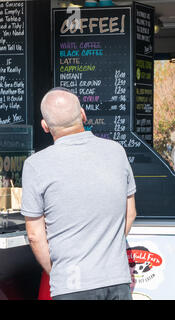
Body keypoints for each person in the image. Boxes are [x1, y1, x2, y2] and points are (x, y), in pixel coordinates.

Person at [21, 87, 137, 300]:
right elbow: (130, 213)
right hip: (116, 279)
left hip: (71, 285)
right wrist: (105, 251)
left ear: (45, 126)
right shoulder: (116, 151)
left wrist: (58, 273)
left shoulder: (35, 165)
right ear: (83, 114)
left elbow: (35, 236)